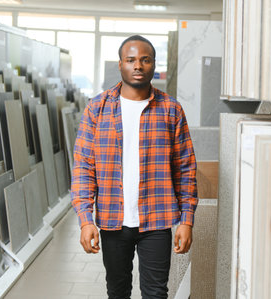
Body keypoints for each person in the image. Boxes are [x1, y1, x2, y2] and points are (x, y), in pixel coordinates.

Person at [71, 35, 198, 299]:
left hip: (157, 220)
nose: (137, 65)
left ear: (154, 65)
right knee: (117, 292)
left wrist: (187, 220)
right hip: (112, 221)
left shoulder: (171, 109)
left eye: (145, 59)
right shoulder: (97, 108)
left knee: (155, 293)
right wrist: (85, 220)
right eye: (131, 60)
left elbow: (185, 169)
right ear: (120, 64)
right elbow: (84, 168)